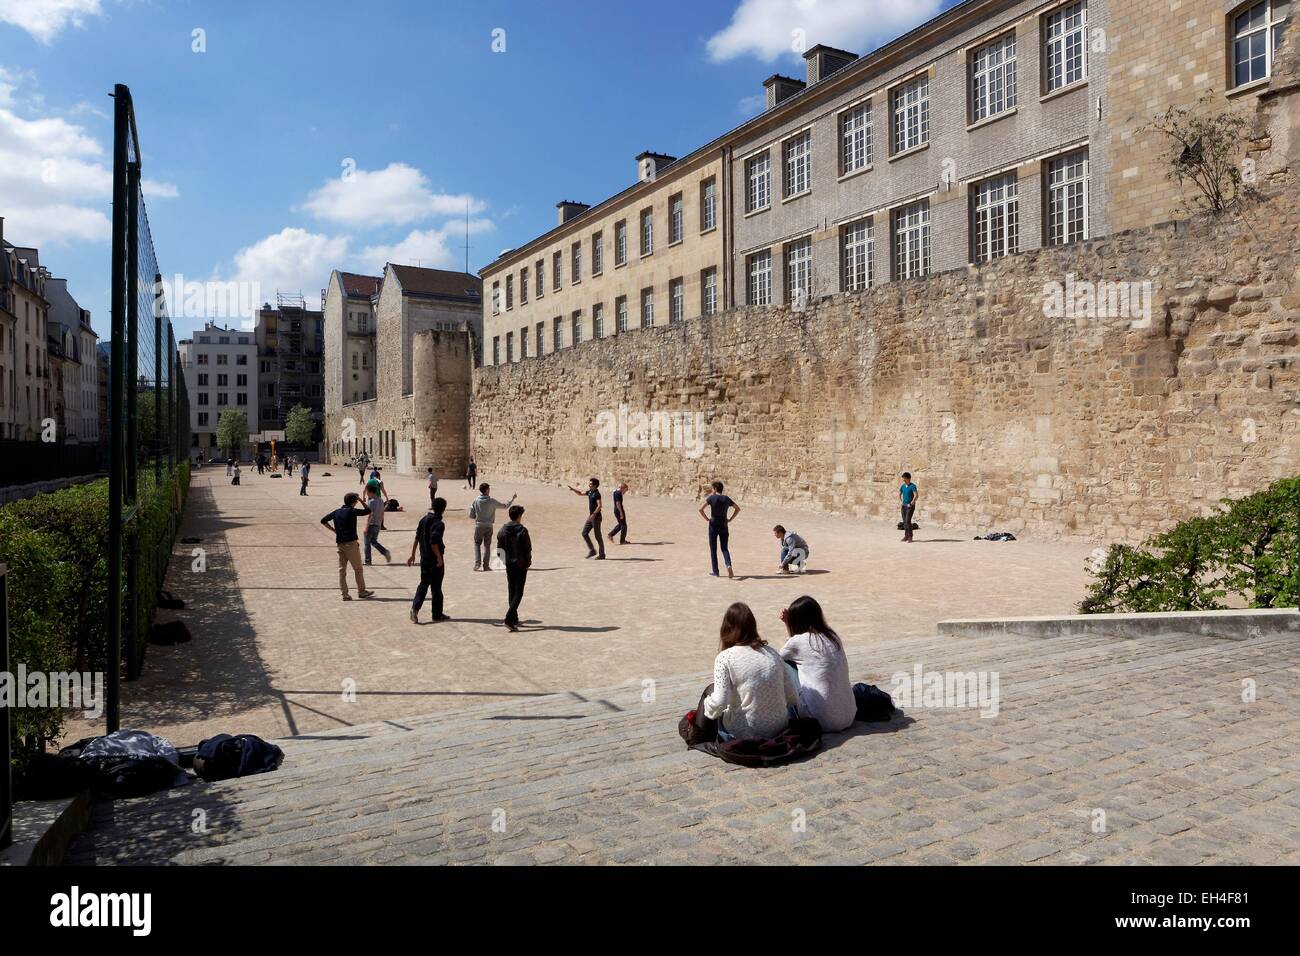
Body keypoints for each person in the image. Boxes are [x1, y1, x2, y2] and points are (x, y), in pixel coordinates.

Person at [703, 602, 798, 741]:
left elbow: (719, 703)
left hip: (746, 733)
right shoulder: (772, 653)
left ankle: (699, 735)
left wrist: (707, 703)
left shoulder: (724, 658)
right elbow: (793, 697)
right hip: (780, 728)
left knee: (710, 692)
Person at [778, 596, 855, 732]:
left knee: (786, 665)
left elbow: (778, 659)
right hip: (849, 715)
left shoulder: (797, 642)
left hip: (819, 720)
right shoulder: (833, 636)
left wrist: (788, 624)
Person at [321, 492, 375, 601]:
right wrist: (361, 500)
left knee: (342, 571)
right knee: (358, 569)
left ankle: (344, 594)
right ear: (354, 502)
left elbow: (323, 520)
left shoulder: (336, 512)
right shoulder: (352, 511)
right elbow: (368, 511)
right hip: (351, 544)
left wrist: (334, 530)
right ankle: (362, 591)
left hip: (340, 544)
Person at [407, 496, 448, 624]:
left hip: (424, 558)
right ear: (443, 510)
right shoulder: (439, 524)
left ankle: (415, 608)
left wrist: (412, 555)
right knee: (436, 587)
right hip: (434, 560)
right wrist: (439, 558)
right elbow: (434, 543)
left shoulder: (424, 519)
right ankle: (437, 614)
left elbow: (417, 537)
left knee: (424, 584)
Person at [496, 504, 532, 632]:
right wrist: (527, 562)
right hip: (520, 564)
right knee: (519, 592)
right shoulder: (522, 530)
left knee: (511, 590)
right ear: (519, 516)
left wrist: (504, 561)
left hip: (509, 565)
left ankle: (514, 618)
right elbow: (528, 549)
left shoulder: (503, 530)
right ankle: (508, 618)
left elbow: (499, 550)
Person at [469, 482, 515, 570]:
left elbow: (471, 514)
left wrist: (477, 516)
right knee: (487, 545)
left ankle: (477, 563)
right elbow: (504, 506)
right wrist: (512, 500)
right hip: (489, 526)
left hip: (479, 525)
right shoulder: (492, 501)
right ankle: (486, 565)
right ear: (486, 490)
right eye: (489, 489)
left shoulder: (475, 500)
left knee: (477, 544)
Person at [698, 480, 739, 578]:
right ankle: (728, 565)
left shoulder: (712, 498)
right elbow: (737, 508)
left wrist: (707, 519)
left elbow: (700, 509)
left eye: (712, 488)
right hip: (724, 525)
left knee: (713, 549)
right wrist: (730, 519)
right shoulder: (726, 499)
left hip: (713, 525)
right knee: (724, 548)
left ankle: (716, 571)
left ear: (715, 489)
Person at [568, 478, 605, 559]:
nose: (589, 485)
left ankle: (602, 554)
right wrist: (573, 489)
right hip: (591, 517)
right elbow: (580, 493)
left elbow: (599, 505)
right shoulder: (590, 492)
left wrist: (593, 515)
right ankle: (592, 550)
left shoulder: (597, 494)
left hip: (596, 517)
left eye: (590, 484)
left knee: (597, 536)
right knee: (584, 533)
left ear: (595, 486)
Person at [363, 485, 391, 565]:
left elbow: (370, 515)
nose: (366, 494)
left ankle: (368, 560)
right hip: (378, 524)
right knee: (373, 541)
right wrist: (380, 523)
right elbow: (382, 512)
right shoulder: (381, 500)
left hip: (371, 524)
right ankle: (384, 552)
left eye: (367, 492)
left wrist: (366, 527)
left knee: (367, 543)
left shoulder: (371, 502)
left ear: (370, 492)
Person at [899, 471, 919, 543]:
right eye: (903, 478)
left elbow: (916, 495)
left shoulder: (912, 486)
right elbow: (900, 493)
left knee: (908, 520)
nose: (903, 480)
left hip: (910, 506)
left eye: (904, 478)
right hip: (903, 506)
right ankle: (906, 536)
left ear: (908, 478)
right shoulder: (903, 486)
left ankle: (910, 536)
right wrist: (901, 501)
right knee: (904, 521)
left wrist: (911, 503)